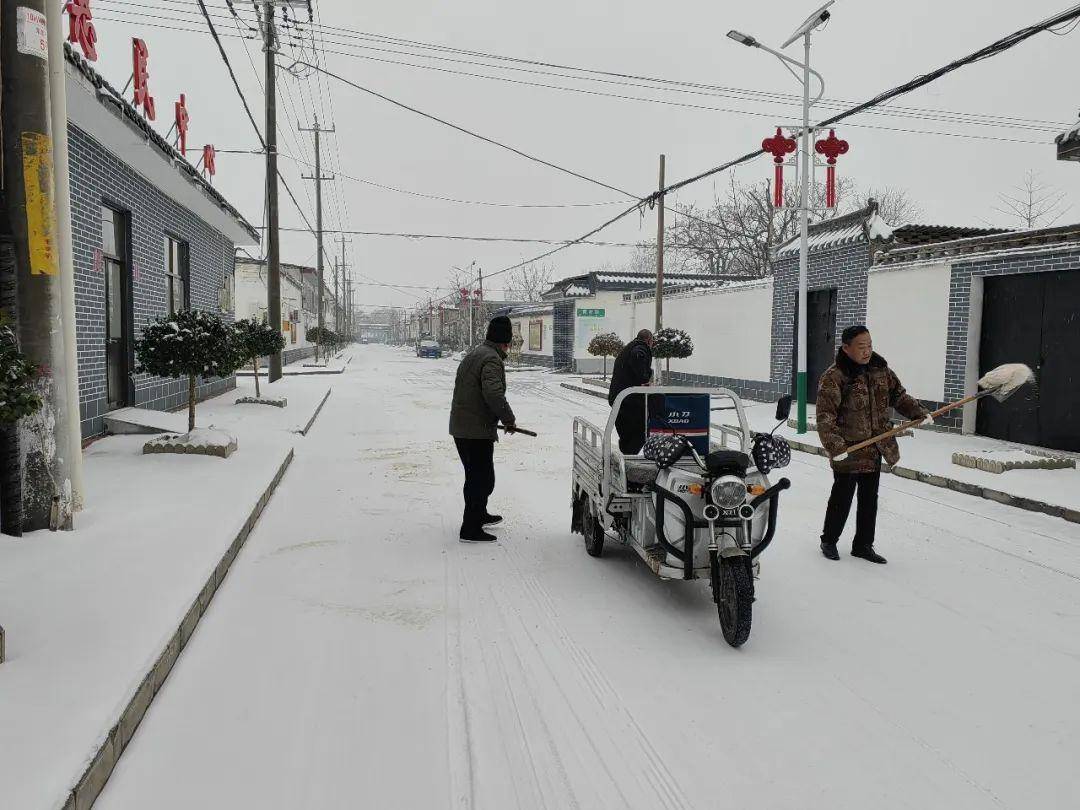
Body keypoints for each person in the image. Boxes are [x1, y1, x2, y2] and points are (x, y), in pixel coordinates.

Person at [816, 325, 931, 564]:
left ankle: (863, 545)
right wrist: (835, 448)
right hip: (848, 451)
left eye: (869, 345)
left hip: (875, 448)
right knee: (842, 498)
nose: (867, 351)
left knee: (869, 500)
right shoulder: (834, 377)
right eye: (861, 346)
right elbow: (825, 417)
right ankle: (829, 540)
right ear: (846, 348)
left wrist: (918, 413)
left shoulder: (881, 370)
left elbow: (898, 395)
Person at [449, 316, 517, 542]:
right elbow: (493, 394)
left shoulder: (477, 353)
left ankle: (479, 514)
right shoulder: (491, 359)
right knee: (481, 479)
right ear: (504, 341)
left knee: (479, 477)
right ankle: (470, 528)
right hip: (474, 431)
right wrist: (508, 418)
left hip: (466, 427)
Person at [607, 329, 655, 455]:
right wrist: (646, 375)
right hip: (628, 399)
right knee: (642, 429)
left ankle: (626, 456)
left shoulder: (628, 348)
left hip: (620, 397)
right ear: (649, 340)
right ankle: (628, 458)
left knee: (627, 431)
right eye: (652, 341)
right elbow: (637, 357)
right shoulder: (640, 348)